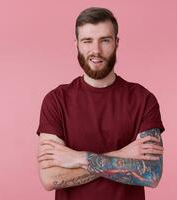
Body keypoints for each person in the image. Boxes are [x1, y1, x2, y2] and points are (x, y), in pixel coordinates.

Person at [36, 7, 165, 200]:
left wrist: (78, 158)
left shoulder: (143, 99)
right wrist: (121, 154)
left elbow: (151, 174)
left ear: (116, 43)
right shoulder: (56, 100)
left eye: (105, 40)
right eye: (87, 41)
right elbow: (50, 178)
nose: (96, 50)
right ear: (77, 44)